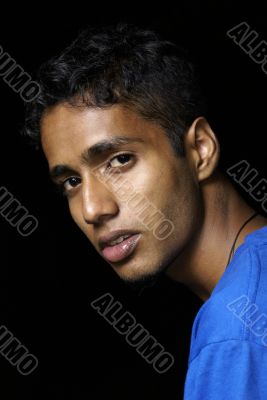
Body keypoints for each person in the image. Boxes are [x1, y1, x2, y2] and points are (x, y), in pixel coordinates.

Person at [23, 22, 267, 399]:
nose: (92, 209)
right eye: (71, 182)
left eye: (119, 160)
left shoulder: (235, 336)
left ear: (200, 149)